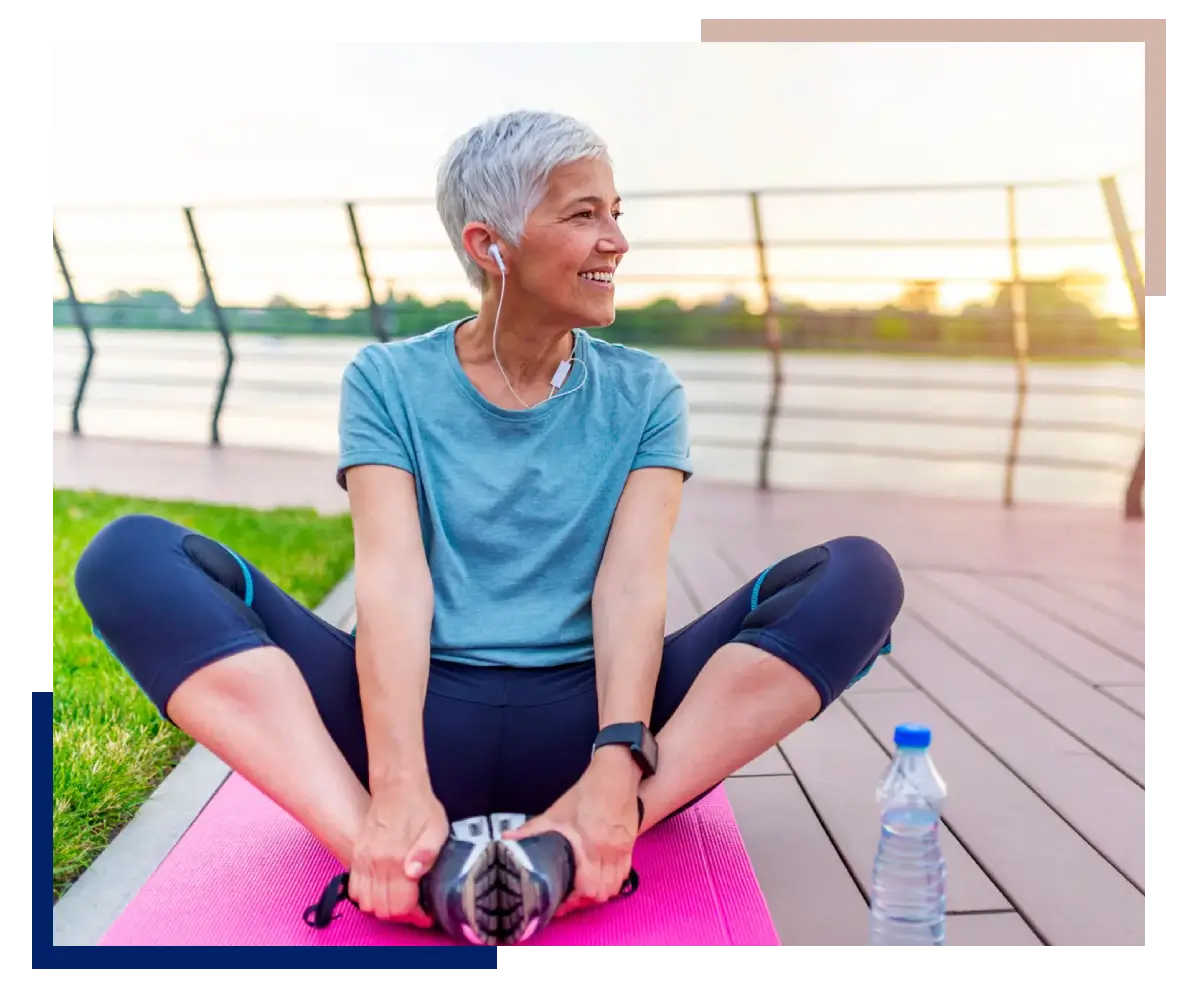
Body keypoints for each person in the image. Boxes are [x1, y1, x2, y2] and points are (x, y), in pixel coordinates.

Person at [74, 109, 904, 947]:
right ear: (489, 245)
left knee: (859, 577)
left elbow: (630, 584)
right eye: (584, 214)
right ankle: (383, 850)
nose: (616, 239)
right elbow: (393, 577)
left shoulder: (647, 392)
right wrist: (397, 780)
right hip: (406, 723)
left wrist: (617, 764)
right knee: (129, 556)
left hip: (593, 735)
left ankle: (579, 839)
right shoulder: (387, 378)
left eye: (617, 212)